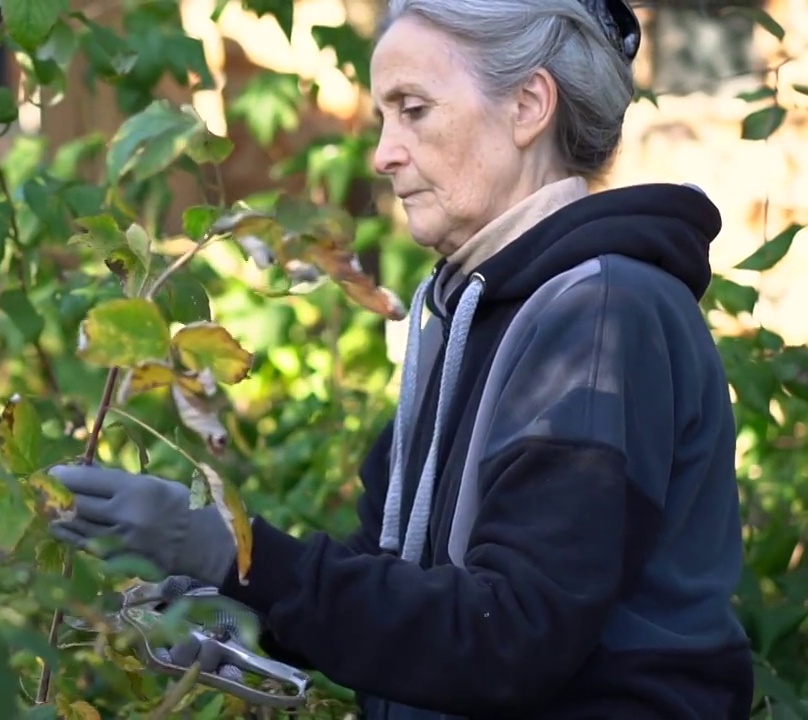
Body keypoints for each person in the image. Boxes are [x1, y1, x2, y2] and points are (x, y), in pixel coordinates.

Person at [46, 0, 755, 717]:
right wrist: (247, 611)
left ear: (528, 104)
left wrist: (235, 553)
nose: (383, 153)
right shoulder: (471, 309)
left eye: (412, 110)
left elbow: (514, 634)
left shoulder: (603, 314)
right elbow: (398, 574)